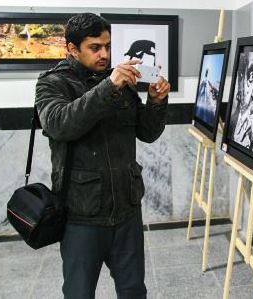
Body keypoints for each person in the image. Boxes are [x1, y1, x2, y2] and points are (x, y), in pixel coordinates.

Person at [34, 13, 170, 299]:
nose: (104, 54)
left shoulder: (122, 81)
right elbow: (61, 124)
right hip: (81, 216)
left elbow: (147, 133)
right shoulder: (52, 83)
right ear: (72, 48)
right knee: (79, 293)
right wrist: (109, 86)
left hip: (127, 210)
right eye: (95, 47)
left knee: (133, 291)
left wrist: (156, 102)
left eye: (107, 46)